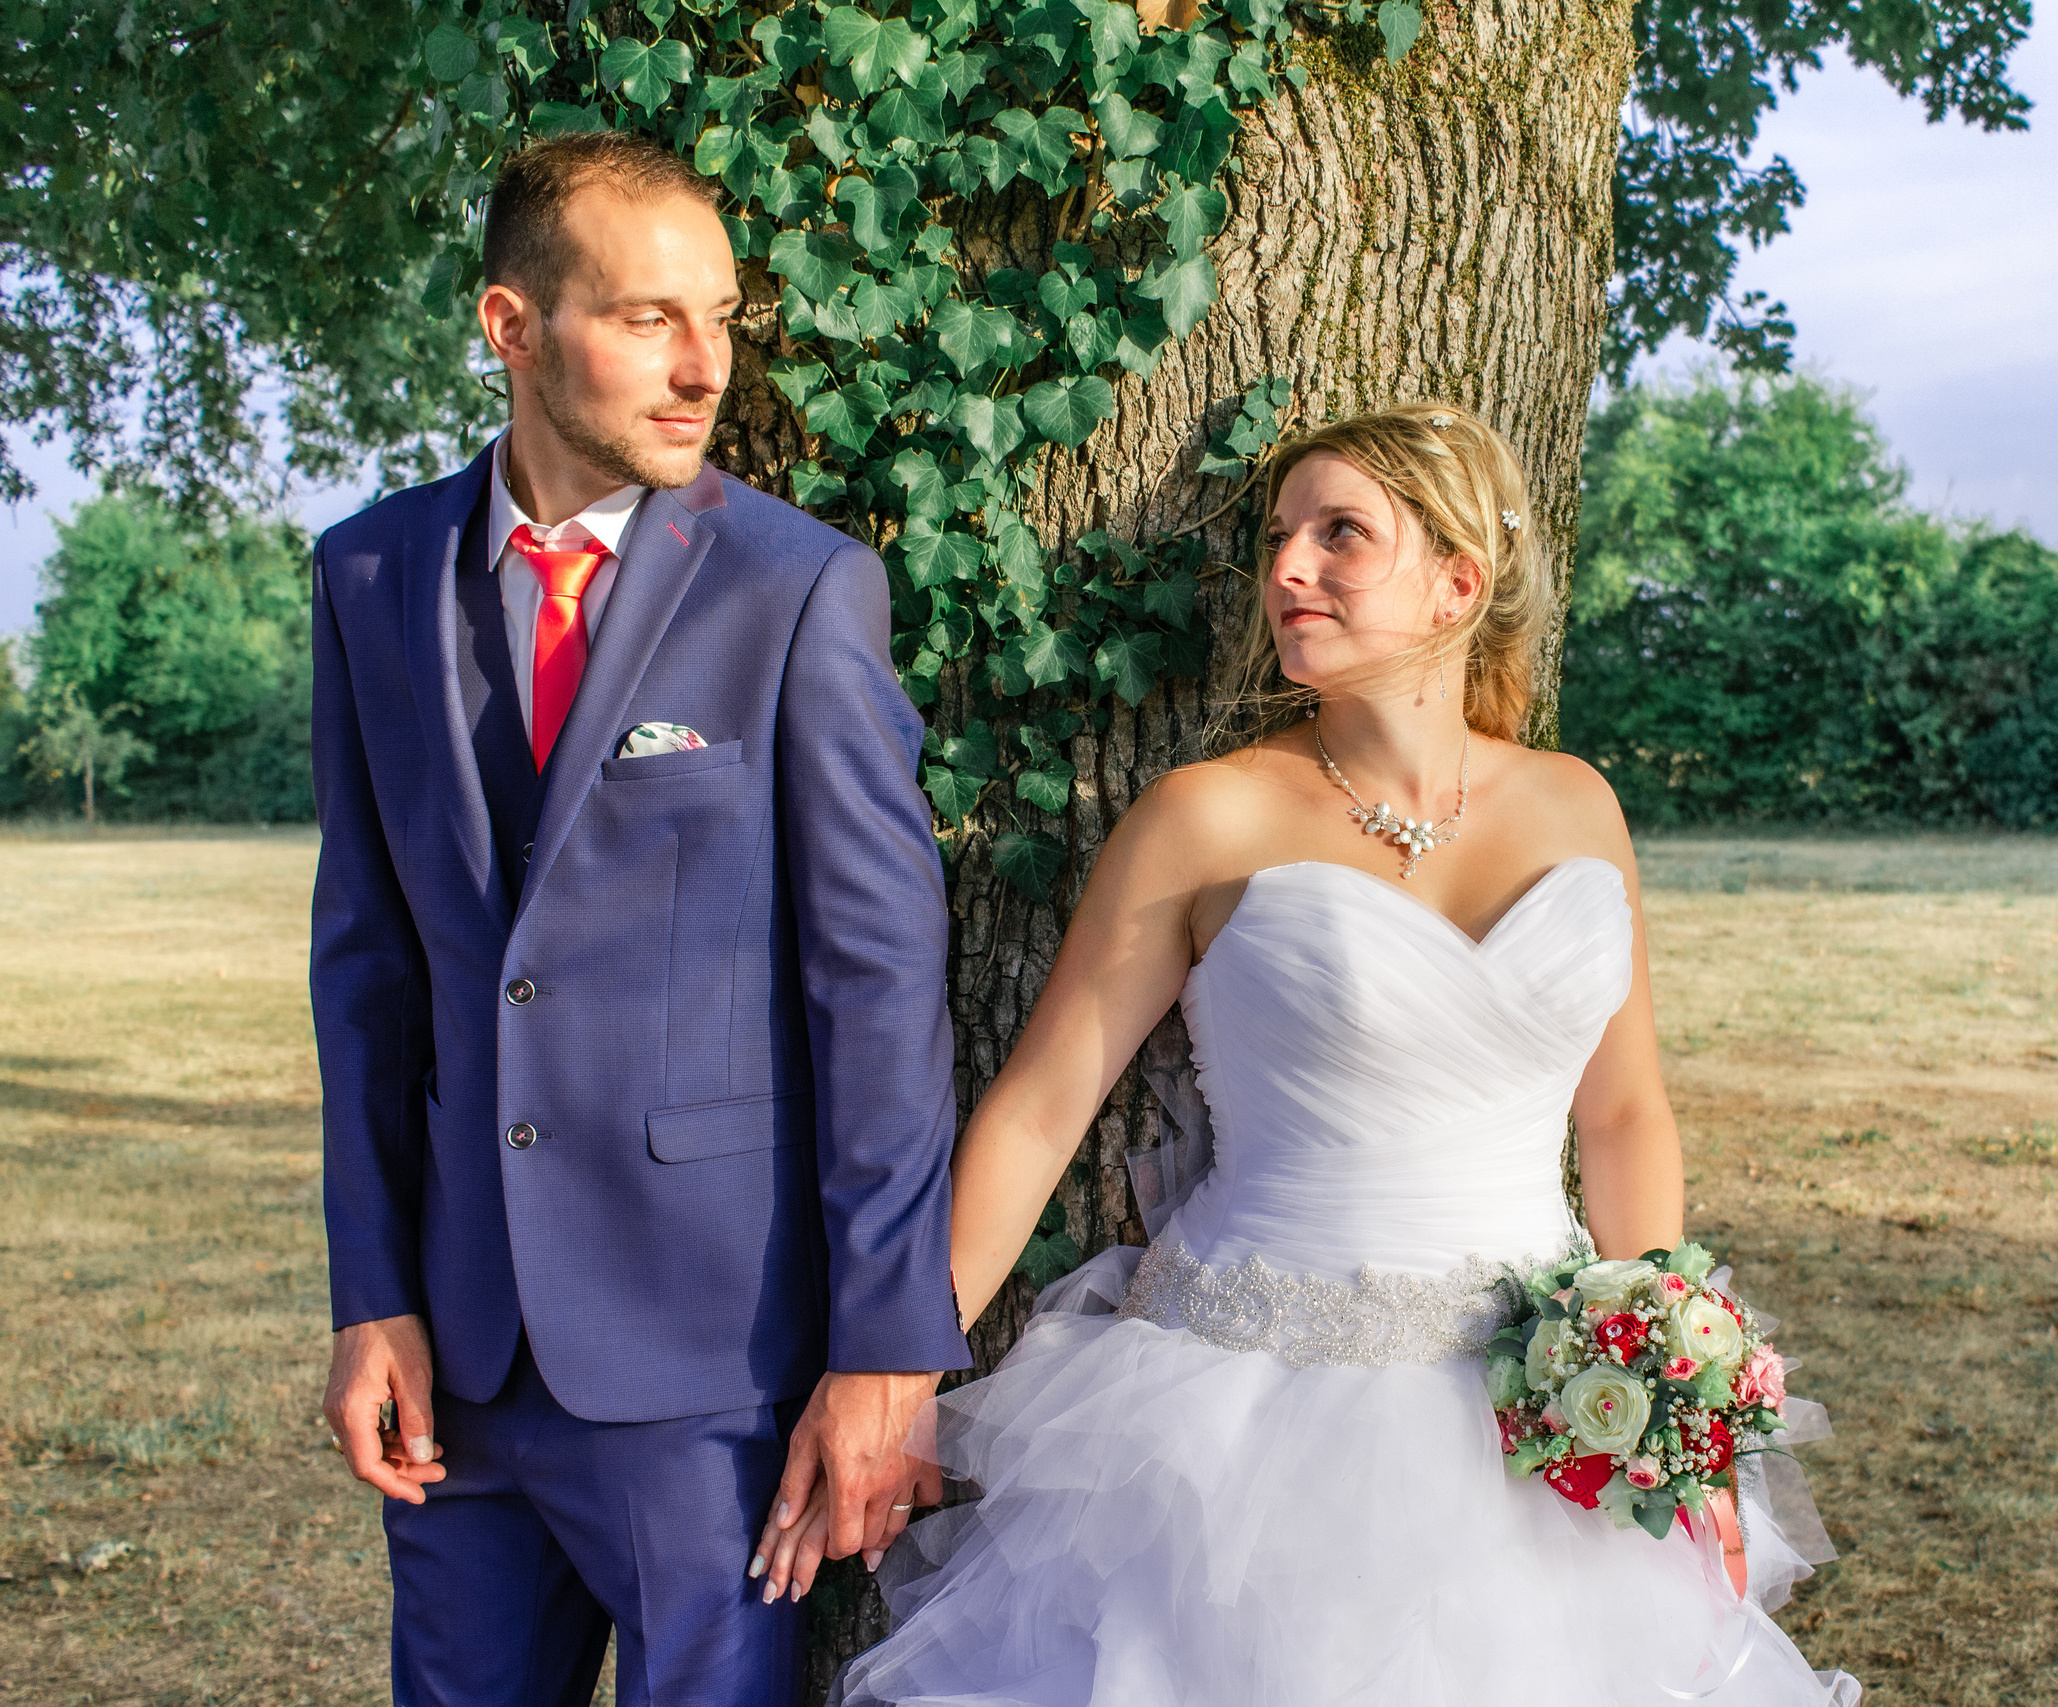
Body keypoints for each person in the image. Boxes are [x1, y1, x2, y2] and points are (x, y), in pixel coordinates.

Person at [766, 404, 1858, 1704]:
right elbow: (1042, 1110)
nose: (1288, 568)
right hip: (1250, 1417)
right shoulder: (1207, 818)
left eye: (1342, 534)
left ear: (1459, 582)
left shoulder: (1577, 803)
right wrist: (889, 1367)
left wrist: (1663, 1386)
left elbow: (1623, 1117)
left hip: (1544, 1411)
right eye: (1281, 537)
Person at [309, 132, 970, 1705]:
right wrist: (372, 1295)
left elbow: (878, 983)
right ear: (512, 326)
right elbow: (368, 969)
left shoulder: (793, 589)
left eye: (720, 318)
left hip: (705, 1367)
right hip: (460, 1358)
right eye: (648, 318)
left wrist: (888, 1349)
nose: (704, 368)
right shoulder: (369, 575)